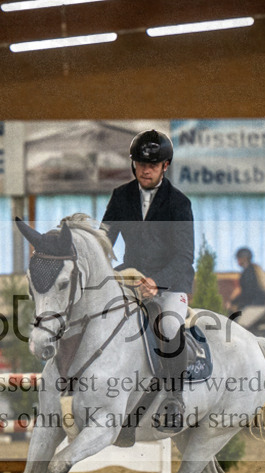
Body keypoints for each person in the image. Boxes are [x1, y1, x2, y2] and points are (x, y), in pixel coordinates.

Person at [102, 129, 194, 433]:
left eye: (152, 165)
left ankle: (174, 397)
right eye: (140, 163)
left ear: (165, 166)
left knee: (168, 325)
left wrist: (158, 281)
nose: (145, 169)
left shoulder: (179, 203)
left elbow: (185, 256)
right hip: (132, 279)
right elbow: (105, 240)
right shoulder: (120, 196)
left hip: (171, 283)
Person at [230, 247, 265, 331]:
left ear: (244, 259)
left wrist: (233, 302)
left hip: (255, 306)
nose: (237, 261)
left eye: (238, 258)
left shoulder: (248, 272)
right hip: (257, 304)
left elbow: (248, 292)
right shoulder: (252, 270)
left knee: (240, 327)